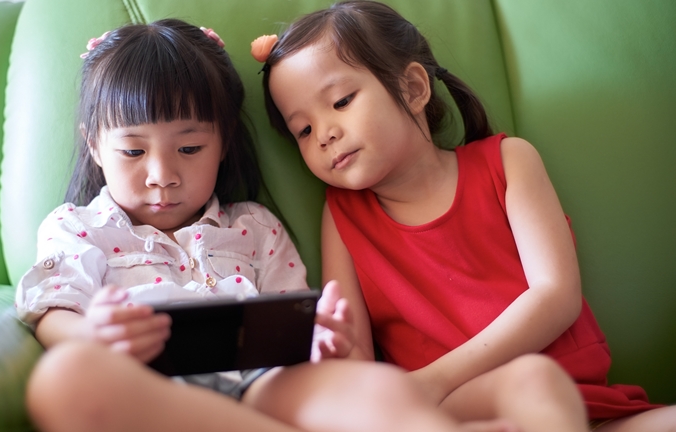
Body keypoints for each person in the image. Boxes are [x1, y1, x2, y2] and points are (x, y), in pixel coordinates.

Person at [16, 18, 520, 432]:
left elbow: (295, 329)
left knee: (377, 388)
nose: (162, 176)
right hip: (151, 391)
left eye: (190, 149)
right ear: (94, 146)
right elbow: (51, 310)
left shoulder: (254, 226)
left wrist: (326, 341)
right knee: (64, 378)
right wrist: (95, 337)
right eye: (132, 151)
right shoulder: (79, 227)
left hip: (264, 388)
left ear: (224, 142)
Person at [258, 1, 676, 431]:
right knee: (535, 382)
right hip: (450, 408)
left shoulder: (508, 161)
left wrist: (432, 379)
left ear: (414, 88)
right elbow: (358, 357)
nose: (325, 134)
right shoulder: (343, 216)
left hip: (589, 403)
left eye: (341, 101)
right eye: (303, 130)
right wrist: (335, 350)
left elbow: (556, 296)